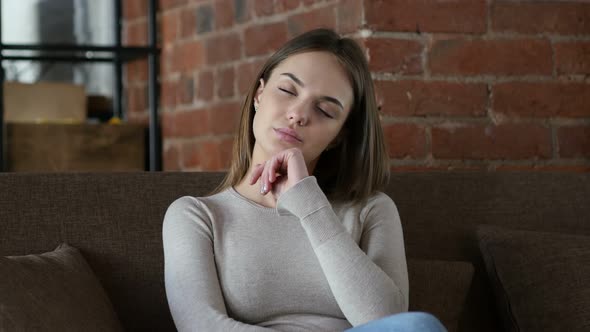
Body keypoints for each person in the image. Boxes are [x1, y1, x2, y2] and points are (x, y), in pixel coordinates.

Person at [163, 28, 446, 332]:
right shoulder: (196, 216)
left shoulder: (371, 209)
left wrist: (310, 207)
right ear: (259, 95)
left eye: (324, 110)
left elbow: (389, 322)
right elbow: (199, 326)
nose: (298, 114)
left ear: (339, 137)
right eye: (287, 91)